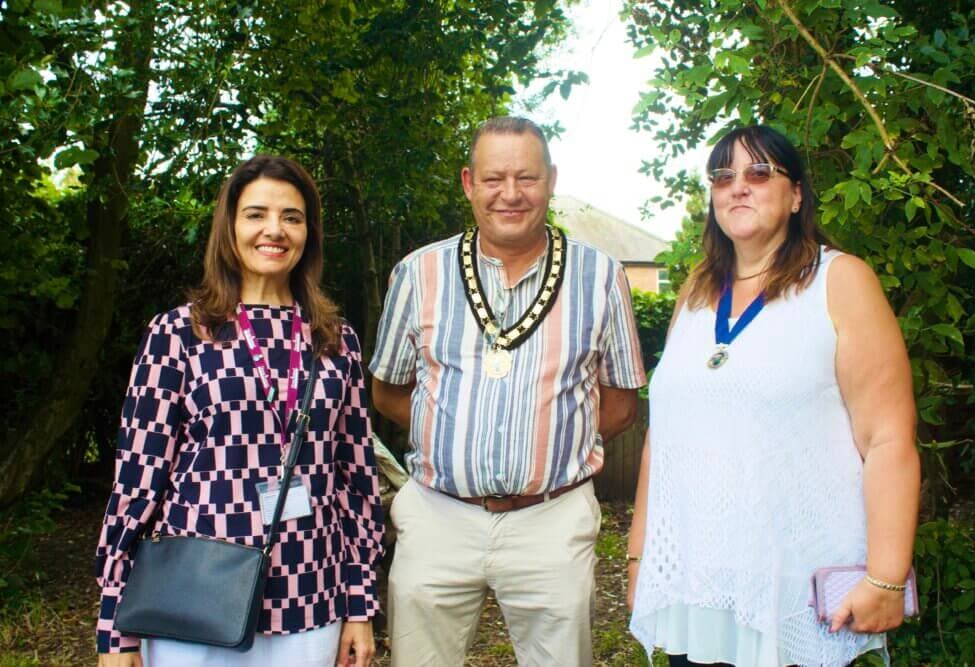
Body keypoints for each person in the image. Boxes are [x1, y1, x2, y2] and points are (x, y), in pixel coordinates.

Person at [627, 125, 920, 666]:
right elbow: (660, 442)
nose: (738, 186)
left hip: (796, 593)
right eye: (723, 176)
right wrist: (640, 559)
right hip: (698, 590)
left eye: (759, 173)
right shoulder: (694, 295)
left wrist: (886, 577)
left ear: (797, 195)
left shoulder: (839, 281)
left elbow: (887, 439)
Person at [369, 116, 647, 666]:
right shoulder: (418, 273)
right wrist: (449, 436)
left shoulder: (600, 275)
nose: (511, 194)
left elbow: (620, 404)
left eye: (527, 178)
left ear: (551, 181)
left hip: (551, 520)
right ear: (469, 183)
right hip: (437, 517)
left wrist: (548, 443)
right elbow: (388, 392)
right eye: (495, 179)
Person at [94, 155, 384, 667]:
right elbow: (137, 481)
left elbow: (357, 482)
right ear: (229, 227)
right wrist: (115, 623)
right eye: (256, 214)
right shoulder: (180, 333)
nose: (274, 230)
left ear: (308, 233)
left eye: (291, 217)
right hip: (196, 592)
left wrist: (359, 605)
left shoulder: (336, 341)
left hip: (311, 594)